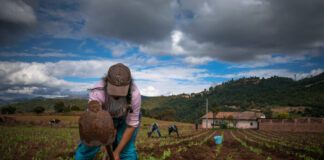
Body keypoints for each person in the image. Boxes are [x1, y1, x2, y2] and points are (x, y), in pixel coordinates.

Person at [75, 63, 141, 160]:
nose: (116, 97)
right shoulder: (98, 91)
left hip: (125, 118)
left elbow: (131, 125)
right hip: (101, 118)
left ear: (129, 85)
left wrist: (117, 152)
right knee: (89, 147)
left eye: (120, 94)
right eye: (114, 92)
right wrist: (107, 140)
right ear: (107, 82)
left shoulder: (135, 94)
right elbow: (94, 122)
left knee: (127, 151)